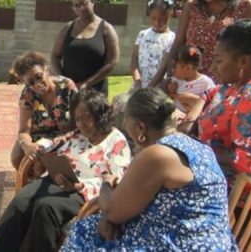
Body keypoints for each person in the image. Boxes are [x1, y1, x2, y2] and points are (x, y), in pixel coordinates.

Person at [61, 88, 237, 251]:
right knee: (93, 228)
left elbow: (113, 211)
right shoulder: (194, 144)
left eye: (126, 126)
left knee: (82, 232)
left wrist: (106, 185)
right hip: (210, 241)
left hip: (185, 244)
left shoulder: (157, 155)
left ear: (140, 128)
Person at [0, 89, 131, 252]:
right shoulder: (78, 134)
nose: (81, 124)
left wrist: (80, 187)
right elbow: (55, 143)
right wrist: (39, 148)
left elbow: (116, 182)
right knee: (22, 200)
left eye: (86, 117)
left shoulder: (117, 142)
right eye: (78, 119)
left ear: (100, 114)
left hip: (84, 192)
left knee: (45, 207)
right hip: (58, 179)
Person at [149, 0, 251, 87]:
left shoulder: (246, 6)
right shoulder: (192, 6)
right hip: (190, 85)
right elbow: (177, 44)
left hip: (228, 87)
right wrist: (170, 77)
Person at [197, 18, 251, 194]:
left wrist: (196, 153)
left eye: (218, 61)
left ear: (244, 62)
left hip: (241, 202)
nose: (212, 67)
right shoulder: (233, 86)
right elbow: (213, 95)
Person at [10, 51, 77, 170]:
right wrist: (27, 146)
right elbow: (24, 130)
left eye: (39, 77)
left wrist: (65, 136)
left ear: (46, 70)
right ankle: (32, 184)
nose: (37, 84)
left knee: (62, 162)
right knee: (17, 157)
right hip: (40, 140)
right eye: (30, 82)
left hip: (66, 136)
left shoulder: (66, 86)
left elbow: (81, 118)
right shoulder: (28, 94)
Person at [51, 0, 120, 96]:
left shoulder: (106, 29)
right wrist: (63, 79)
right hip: (70, 90)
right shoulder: (67, 28)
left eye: (84, 3)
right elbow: (55, 56)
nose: (81, 8)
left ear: (92, 3)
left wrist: (87, 84)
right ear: (73, 8)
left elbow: (112, 63)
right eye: (76, 5)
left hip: (96, 92)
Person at [130, 0, 175, 90]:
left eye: (162, 19)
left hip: (157, 88)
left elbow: (164, 66)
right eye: (153, 18)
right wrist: (137, 82)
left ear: (170, 15)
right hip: (138, 86)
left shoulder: (172, 38)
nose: (157, 22)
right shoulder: (142, 34)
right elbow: (134, 59)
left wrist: (149, 88)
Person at [165, 45, 215, 115]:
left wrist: (195, 100)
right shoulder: (177, 80)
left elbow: (212, 104)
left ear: (188, 68)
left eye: (175, 67)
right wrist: (169, 88)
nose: (172, 70)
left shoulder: (205, 82)